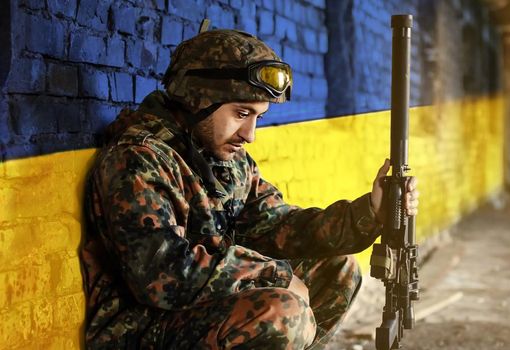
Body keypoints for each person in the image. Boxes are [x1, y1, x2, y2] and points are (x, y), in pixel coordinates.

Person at [80, 29, 419, 349]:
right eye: (241, 113)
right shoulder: (139, 160)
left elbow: (279, 226)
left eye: (258, 116)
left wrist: (370, 212)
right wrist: (274, 275)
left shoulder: (225, 160)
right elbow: (162, 274)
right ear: (199, 99)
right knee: (281, 313)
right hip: (141, 328)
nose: (250, 133)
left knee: (337, 269)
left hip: (195, 316)